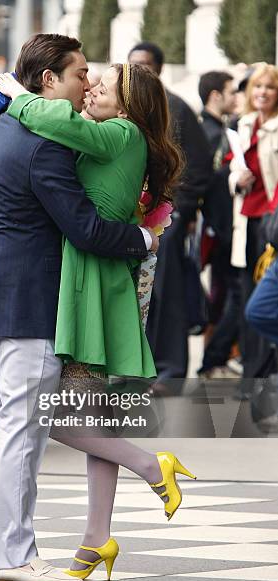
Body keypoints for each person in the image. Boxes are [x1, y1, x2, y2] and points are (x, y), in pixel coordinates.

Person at [0, 33, 163, 581]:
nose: (85, 87)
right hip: (34, 302)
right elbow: (86, 228)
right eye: (78, 76)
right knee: (20, 434)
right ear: (48, 80)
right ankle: (15, 557)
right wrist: (143, 240)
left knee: (5, 429)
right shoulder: (46, 143)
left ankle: (8, 552)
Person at [0, 56, 196, 581]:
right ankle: (96, 538)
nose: (90, 92)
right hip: (100, 278)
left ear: (129, 106)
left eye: (102, 87)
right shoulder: (119, 136)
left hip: (93, 281)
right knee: (90, 415)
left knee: (54, 416)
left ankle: (153, 466)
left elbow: (57, 122)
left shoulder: (121, 133)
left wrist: (17, 96)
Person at [128, 42, 211, 390]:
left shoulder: (175, 108)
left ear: (160, 68)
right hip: (135, 223)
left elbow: (199, 168)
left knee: (169, 296)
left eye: (144, 65)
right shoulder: (131, 110)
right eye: (132, 66)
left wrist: (176, 214)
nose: (138, 72)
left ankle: (171, 369)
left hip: (168, 222)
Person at [229, 63, 278, 385]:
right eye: (257, 87)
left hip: (273, 223)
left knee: (266, 300)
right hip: (246, 220)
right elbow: (231, 170)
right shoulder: (241, 125)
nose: (261, 93)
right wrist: (237, 179)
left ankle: (264, 372)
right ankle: (252, 375)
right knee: (248, 297)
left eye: (269, 87)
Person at [196, 71, 241, 378]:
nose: (236, 98)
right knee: (230, 294)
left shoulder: (219, 130)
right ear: (215, 96)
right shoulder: (210, 135)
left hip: (222, 228)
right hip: (219, 229)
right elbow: (205, 184)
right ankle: (213, 358)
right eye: (230, 92)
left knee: (224, 293)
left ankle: (215, 357)